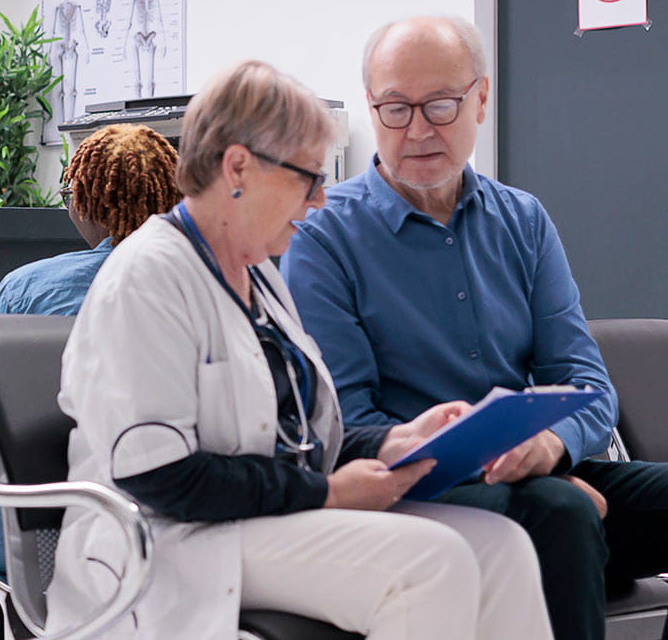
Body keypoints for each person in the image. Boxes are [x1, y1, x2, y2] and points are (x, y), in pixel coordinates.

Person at [47, 61, 552, 640]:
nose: (319, 201)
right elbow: (159, 476)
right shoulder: (147, 277)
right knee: (430, 563)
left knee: (502, 546)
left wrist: (396, 440)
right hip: (168, 539)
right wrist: (329, 492)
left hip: (253, 519)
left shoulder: (258, 276)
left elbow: (291, 435)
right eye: (307, 178)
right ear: (237, 166)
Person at [280, 15, 668, 640]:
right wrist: (512, 462)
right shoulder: (323, 235)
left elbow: (587, 384)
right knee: (562, 510)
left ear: (480, 98)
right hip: (412, 486)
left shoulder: (523, 220)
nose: (417, 130)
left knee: (567, 502)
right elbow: (347, 422)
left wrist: (551, 448)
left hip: (537, 470)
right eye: (394, 110)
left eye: (439, 105)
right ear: (370, 108)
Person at [0, 124, 182, 640]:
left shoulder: (28, 286)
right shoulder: (204, 276)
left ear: (85, 202)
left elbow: (6, 420)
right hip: (176, 507)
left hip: (53, 514)